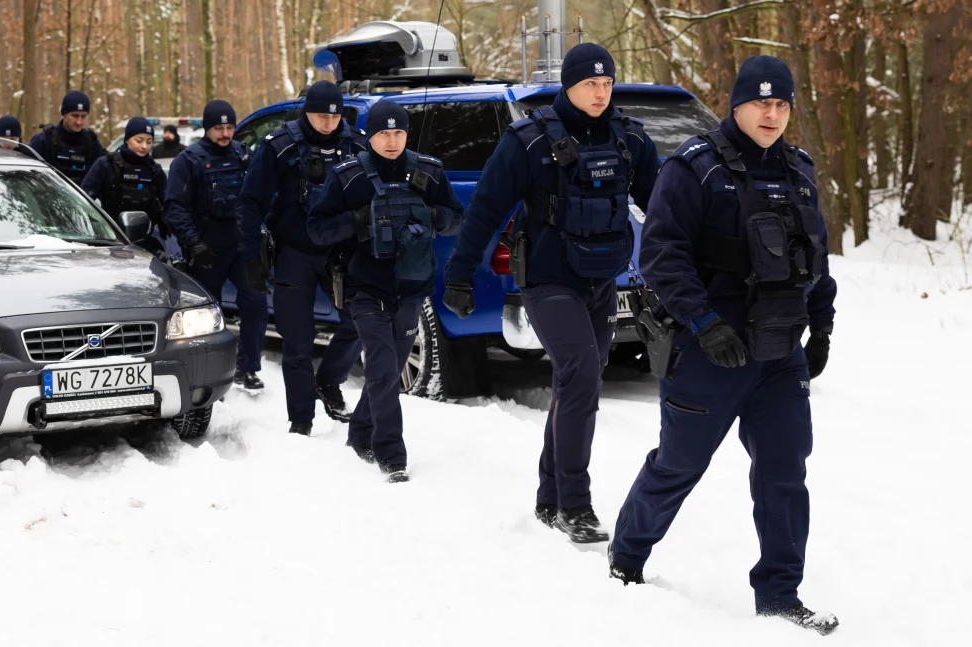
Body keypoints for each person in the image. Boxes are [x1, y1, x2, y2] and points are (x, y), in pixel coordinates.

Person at [606, 56, 839, 636]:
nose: (772, 113)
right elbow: (661, 255)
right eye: (761, 102)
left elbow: (817, 261)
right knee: (679, 465)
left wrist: (822, 326)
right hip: (711, 349)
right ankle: (627, 558)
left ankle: (781, 594)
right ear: (736, 104)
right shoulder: (695, 169)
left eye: (782, 104)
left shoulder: (800, 170)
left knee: (785, 472)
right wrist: (704, 321)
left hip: (779, 351)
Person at [443, 43, 661, 542]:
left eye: (607, 84)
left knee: (575, 383)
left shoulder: (629, 140)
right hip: (547, 280)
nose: (601, 93)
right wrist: (459, 275)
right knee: (582, 375)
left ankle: (548, 497)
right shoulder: (529, 142)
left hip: (602, 280)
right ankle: (575, 505)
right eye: (591, 84)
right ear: (569, 84)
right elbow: (484, 211)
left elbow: (666, 208)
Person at [306, 100, 463, 483]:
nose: (391, 141)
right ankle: (391, 454)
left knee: (390, 370)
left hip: (411, 287)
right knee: (380, 366)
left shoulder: (428, 172)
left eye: (398, 133)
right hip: (365, 287)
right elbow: (317, 228)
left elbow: (457, 219)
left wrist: (431, 218)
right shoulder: (347, 177)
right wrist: (359, 221)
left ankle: (360, 433)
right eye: (382, 134)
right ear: (369, 136)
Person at [239, 80, 367, 435]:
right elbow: (251, 203)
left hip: (340, 252)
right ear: (306, 112)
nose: (327, 123)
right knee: (297, 341)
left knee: (359, 318)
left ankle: (329, 379)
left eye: (334, 115)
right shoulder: (280, 147)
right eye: (319, 115)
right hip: (294, 253)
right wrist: (251, 257)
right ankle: (301, 420)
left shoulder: (356, 145)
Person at [165, 100, 268, 391]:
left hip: (241, 247)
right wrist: (193, 242)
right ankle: (207, 373)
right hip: (206, 250)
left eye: (229, 127)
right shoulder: (188, 160)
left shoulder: (243, 154)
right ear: (207, 128)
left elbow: (257, 196)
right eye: (218, 128)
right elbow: (174, 206)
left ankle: (247, 367)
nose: (225, 133)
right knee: (207, 316)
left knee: (256, 303)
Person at [81, 116, 168, 255]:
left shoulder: (154, 170)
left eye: (149, 141)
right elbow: (84, 200)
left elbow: (169, 202)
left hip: (144, 242)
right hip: (110, 241)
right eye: (139, 140)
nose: (144, 146)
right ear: (127, 139)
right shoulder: (106, 164)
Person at [28, 90, 106, 183]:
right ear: (64, 114)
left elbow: (105, 172)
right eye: (75, 116)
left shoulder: (92, 143)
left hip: (81, 196)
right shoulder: (44, 140)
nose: (79, 122)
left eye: (83, 116)